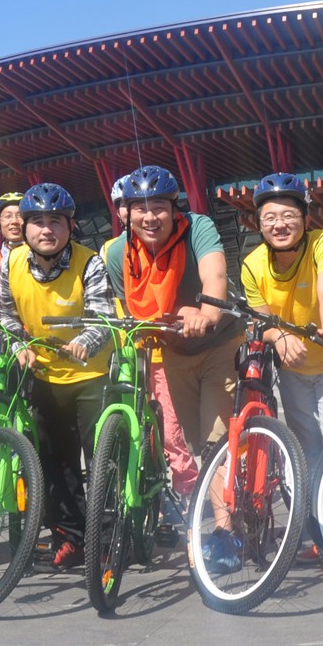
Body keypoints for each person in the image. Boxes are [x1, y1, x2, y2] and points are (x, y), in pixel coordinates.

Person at [238, 173, 323, 564]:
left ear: (306, 219)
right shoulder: (252, 265)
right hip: (294, 371)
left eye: (289, 215)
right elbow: (262, 319)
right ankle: (317, 532)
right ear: (259, 225)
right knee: (306, 453)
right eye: (270, 217)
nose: (280, 224)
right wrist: (278, 338)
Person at [104, 165, 244, 497]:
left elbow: (215, 276)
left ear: (174, 208)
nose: (150, 217)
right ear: (127, 213)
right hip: (174, 350)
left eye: (159, 207)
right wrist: (177, 314)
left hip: (219, 341)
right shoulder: (118, 253)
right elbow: (132, 311)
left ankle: (224, 525)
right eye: (140, 209)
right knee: (195, 443)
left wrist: (207, 314)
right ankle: (224, 501)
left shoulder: (197, 227)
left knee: (215, 441)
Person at [0, 183, 113, 568]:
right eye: (38, 222)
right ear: (25, 227)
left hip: (90, 375)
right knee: (55, 462)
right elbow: (7, 314)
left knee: (100, 461)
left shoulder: (90, 263)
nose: (47, 230)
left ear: (70, 226)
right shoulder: (11, 262)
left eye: (56, 221)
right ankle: (71, 537)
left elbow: (102, 317)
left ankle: (108, 539)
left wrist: (84, 342)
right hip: (44, 375)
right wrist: (19, 345)